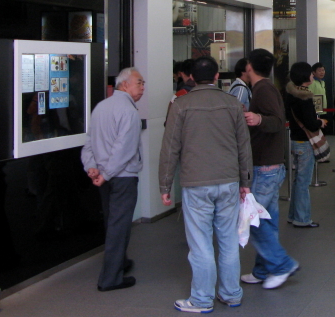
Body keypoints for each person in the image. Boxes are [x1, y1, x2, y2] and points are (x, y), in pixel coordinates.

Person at [159, 56, 252, 312]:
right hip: (229, 182)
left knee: (200, 243)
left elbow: (170, 150)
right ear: (216, 78)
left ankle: (201, 300)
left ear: (190, 78)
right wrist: (246, 181)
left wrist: (165, 186)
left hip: (196, 182)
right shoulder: (232, 104)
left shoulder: (181, 105)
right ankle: (232, 293)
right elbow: (243, 146)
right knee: (228, 240)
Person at [81, 67, 145, 292]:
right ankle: (110, 278)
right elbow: (124, 149)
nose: (143, 88)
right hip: (122, 178)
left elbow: (89, 142)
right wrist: (106, 173)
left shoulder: (101, 107)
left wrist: (91, 167)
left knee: (113, 223)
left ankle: (121, 262)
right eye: (139, 83)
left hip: (104, 178)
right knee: (120, 227)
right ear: (124, 84)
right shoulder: (128, 111)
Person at [241, 49, 300, 290]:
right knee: (268, 220)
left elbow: (276, 121)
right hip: (270, 165)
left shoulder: (263, 90)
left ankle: (281, 264)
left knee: (252, 220)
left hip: (265, 167)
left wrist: (258, 120)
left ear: (249, 67)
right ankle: (263, 269)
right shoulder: (266, 88)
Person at [285, 62, 328, 228]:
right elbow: (310, 123)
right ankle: (302, 218)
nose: (313, 75)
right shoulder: (305, 97)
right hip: (306, 142)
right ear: (304, 76)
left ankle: (293, 214)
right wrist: (320, 122)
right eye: (310, 73)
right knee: (303, 183)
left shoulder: (290, 94)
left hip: (295, 139)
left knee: (298, 181)